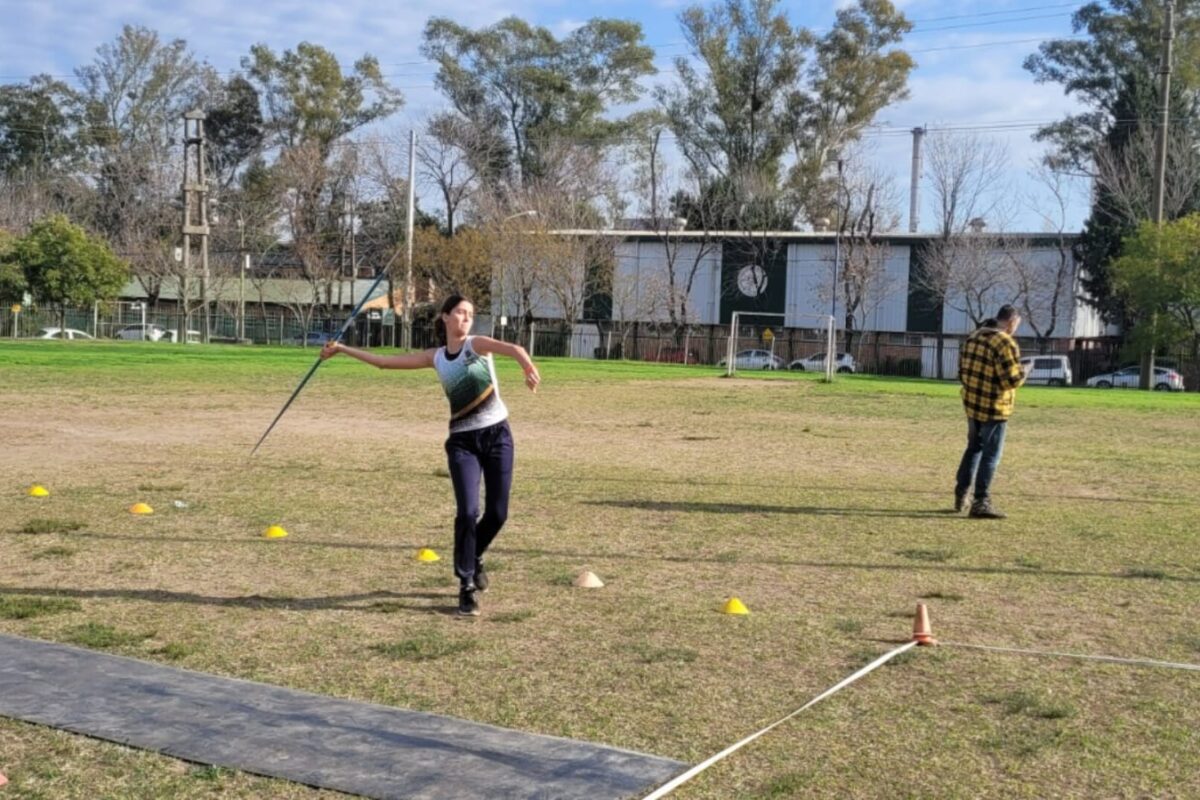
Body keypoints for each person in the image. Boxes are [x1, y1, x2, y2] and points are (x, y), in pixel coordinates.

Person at [320, 294, 540, 616]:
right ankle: (466, 585)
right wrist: (341, 350)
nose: (466, 319)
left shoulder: (477, 345)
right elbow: (384, 363)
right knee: (467, 511)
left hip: (498, 437)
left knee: (498, 513)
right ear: (445, 317)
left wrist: (528, 368)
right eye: (460, 313)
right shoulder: (436, 357)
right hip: (462, 443)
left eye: (470, 314)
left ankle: (473, 554)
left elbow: (515, 349)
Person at [954, 304, 1026, 519]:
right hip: (994, 408)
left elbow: (961, 372)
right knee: (991, 456)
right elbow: (1011, 380)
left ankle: (961, 493)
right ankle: (981, 501)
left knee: (973, 448)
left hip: (972, 404)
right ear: (1012, 322)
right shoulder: (1005, 343)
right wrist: (1025, 372)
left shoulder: (973, 337)